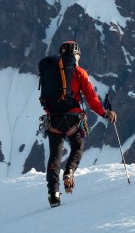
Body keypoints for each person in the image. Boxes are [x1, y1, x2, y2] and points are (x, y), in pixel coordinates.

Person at [38, 40, 118, 208]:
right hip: (73, 119)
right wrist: (105, 113)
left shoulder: (50, 70)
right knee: (77, 147)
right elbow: (91, 98)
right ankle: (69, 171)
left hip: (52, 119)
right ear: (76, 55)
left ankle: (53, 194)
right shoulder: (79, 72)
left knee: (54, 157)